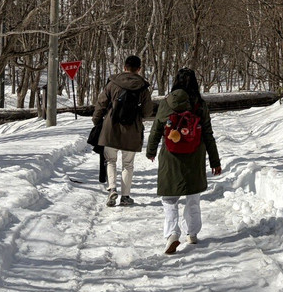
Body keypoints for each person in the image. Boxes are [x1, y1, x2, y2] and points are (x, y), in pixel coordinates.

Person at [146, 67, 222, 254]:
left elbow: (156, 129)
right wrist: (215, 161)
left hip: (171, 157)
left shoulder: (166, 103)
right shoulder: (200, 105)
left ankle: (172, 234)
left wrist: (151, 150)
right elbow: (208, 134)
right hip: (194, 156)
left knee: (169, 198)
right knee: (193, 197)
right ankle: (192, 233)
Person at [93, 55, 154, 208]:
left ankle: (112, 189)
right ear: (139, 69)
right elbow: (147, 112)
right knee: (128, 164)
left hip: (110, 128)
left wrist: (97, 121)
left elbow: (101, 104)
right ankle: (125, 196)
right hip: (132, 131)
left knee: (111, 161)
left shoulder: (112, 83)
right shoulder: (143, 87)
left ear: (124, 67)